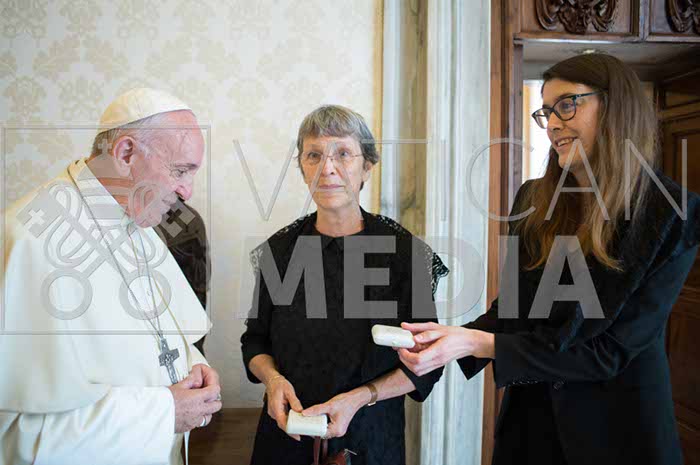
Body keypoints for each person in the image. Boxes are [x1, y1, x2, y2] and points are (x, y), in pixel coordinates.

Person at [398, 53, 700, 465]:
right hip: (532, 425)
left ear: (616, 107)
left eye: (567, 105)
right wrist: (448, 339)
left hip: (621, 430)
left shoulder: (673, 214)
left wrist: (476, 343)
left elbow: (609, 352)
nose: (553, 123)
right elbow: (512, 312)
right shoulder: (532, 199)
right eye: (547, 111)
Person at [0, 88, 222, 465]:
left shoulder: (133, 215)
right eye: (180, 170)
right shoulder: (30, 241)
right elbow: (18, 435)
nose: (187, 190)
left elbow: (157, 338)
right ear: (125, 153)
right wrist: (163, 413)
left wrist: (192, 365)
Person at [240, 105, 447, 465]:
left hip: (369, 440)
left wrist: (361, 397)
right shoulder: (280, 250)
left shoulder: (404, 254)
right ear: (302, 168)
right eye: (314, 155)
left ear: (367, 166)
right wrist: (273, 381)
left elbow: (428, 362)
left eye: (343, 154)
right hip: (286, 435)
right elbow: (255, 342)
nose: (327, 168)